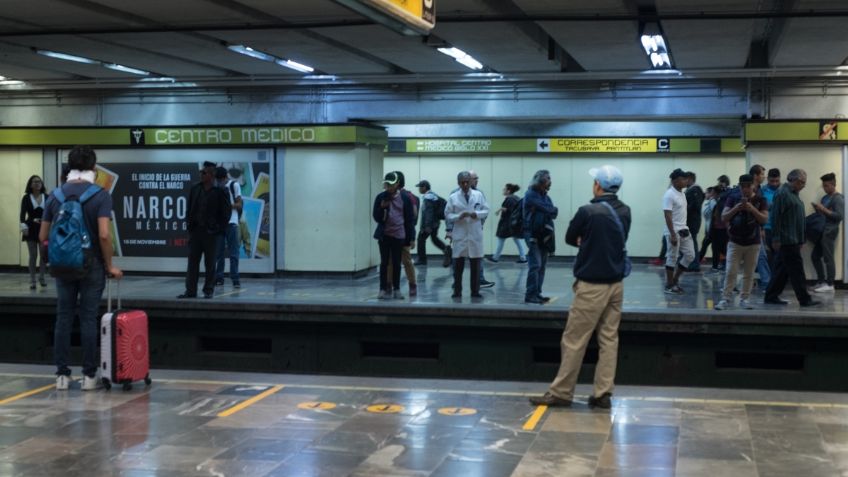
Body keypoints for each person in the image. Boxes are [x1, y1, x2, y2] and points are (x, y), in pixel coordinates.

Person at [529, 165, 629, 410]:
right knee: (609, 339)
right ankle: (603, 393)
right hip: (616, 284)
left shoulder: (587, 211)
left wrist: (585, 240)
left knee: (574, 339)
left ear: (598, 185)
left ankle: (562, 392)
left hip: (591, 285)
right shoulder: (625, 211)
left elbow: (569, 237)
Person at [39, 145, 123, 391]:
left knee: (63, 317)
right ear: (93, 168)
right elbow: (105, 235)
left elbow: (43, 234)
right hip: (91, 265)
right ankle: (89, 376)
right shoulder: (100, 195)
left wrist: (54, 257)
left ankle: (62, 376)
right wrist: (110, 266)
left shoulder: (55, 195)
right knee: (88, 318)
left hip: (62, 266)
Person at [764, 169, 819, 307]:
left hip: (793, 239)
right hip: (786, 239)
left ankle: (771, 295)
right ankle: (804, 299)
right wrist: (776, 238)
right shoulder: (783, 193)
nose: (804, 185)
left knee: (781, 271)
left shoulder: (794, 194)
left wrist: (801, 239)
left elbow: (796, 219)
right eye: (802, 182)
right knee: (797, 271)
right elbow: (775, 217)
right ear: (794, 180)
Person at [178, 161, 230, 299]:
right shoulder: (195, 188)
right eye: (201, 172)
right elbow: (189, 208)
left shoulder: (221, 190)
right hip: (196, 231)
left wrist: (218, 230)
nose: (201, 174)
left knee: (210, 263)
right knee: (192, 262)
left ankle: (208, 290)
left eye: (204, 172)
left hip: (211, 233)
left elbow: (226, 213)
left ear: (212, 175)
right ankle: (190, 291)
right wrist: (189, 225)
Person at [715, 174, 768, 310]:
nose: (745, 190)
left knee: (749, 273)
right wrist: (736, 208)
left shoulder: (760, 199)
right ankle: (725, 298)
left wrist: (752, 209)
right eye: (742, 187)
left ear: (753, 186)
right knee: (730, 271)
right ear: (739, 186)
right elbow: (724, 217)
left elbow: (764, 220)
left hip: (753, 242)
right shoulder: (732, 198)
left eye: (748, 186)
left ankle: (745, 299)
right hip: (735, 241)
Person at [445, 171, 489, 299]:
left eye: (467, 182)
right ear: (458, 183)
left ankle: (475, 291)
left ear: (470, 182)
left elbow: (486, 210)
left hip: (475, 233)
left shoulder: (479, 195)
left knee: (475, 264)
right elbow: (447, 214)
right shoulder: (453, 197)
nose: (465, 184)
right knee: (458, 265)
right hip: (460, 234)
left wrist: (477, 214)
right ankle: (457, 291)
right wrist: (458, 216)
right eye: (462, 182)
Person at [373, 171, 415, 299]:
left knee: (397, 263)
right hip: (384, 235)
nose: (389, 187)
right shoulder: (380, 197)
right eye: (386, 184)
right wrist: (382, 208)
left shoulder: (405, 198)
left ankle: (397, 289)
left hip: (399, 235)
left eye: (391, 184)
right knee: (384, 262)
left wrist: (411, 238)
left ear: (397, 184)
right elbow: (376, 217)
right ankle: (383, 289)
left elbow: (409, 220)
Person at [523, 171, 558, 304]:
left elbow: (553, 213)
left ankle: (537, 293)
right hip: (531, 233)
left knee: (542, 265)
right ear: (540, 180)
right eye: (547, 178)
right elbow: (550, 210)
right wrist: (550, 209)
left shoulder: (545, 196)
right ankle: (530, 294)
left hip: (543, 234)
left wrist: (550, 209)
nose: (550, 181)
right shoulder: (531, 194)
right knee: (535, 264)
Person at [662, 168, 695, 294]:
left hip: (683, 229)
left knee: (690, 255)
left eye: (686, 179)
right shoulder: (669, 194)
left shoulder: (682, 193)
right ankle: (669, 285)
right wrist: (672, 234)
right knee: (672, 257)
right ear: (675, 181)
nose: (686, 181)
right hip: (673, 231)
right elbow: (667, 215)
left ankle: (675, 279)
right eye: (683, 179)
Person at [810, 172, 844, 292]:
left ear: (833, 184)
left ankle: (830, 284)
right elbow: (823, 215)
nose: (824, 188)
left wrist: (823, 209)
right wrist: (818, 209)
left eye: (826, 186)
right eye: (823, 186)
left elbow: (839, 216)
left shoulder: (838, 198)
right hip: (821, 230)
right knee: (815, 256)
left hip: (830, 231)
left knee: (828, 258)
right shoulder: (825, 198)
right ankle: (821, 281)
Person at [214, 167, 243, 288]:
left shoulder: (234, 185)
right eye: (218, 180)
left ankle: (235, 278)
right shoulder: (216, 188)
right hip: (220, 224)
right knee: (219, 253)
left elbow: (239, 204)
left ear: (226, 177)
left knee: (233, 253)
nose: (220, 182)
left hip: (232, 223)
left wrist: (226, 206)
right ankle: (219, 277)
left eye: (222, 179)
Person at [20, 175, 49, 289]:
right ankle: (32, 279)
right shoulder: (26, 198)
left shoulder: (47, 196)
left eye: (39, 181)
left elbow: (51, 212)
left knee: (43, 254)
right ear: (30, 185)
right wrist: (23, 227)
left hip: (43, 227)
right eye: (34, 182)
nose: (37, 183)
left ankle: (42, 277)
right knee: (33, 255)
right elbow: (22, 214)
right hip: (30, 228)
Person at [489, 183, 526, 263]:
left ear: (508, 191)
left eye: (504, 189)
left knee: (501, 239)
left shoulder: (509, 199)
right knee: (517, 240)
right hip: (513, 224)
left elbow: (508, 209)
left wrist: (500, 209)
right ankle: (523, 258)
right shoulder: (516, 198)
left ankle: (495, 258)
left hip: (507, 224)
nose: (503, 190)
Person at [414, 180, 447, 266]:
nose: (419, 189)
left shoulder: (428, 197)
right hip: (435, 223)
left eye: (420, 187)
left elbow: (429, 212)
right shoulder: (433, 196)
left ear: (424, 187)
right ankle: (447, 250)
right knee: (434, 239)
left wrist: (427, 226)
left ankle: (422, 259)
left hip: (430, 224)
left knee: (421, 239)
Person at [684, 171, 705, 271]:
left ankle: (694, 264)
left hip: (693, 221)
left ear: (690, 179)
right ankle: (691, 263)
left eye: (685, 179)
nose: (684, 181)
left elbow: (695, 205)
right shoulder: (690, 190)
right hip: (690, 221)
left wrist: (683, 209)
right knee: (689, 242)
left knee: (692, 242)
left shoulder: (695, 189)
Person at [761, 168, 781, 266]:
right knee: (767, 257)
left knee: (779, 257)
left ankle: (777, 280)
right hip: (766, 228)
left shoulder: (784, 191)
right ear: (767, 179)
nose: (774, 184)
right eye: (772, 181)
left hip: (780, 229)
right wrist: (766, 206)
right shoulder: (762, 190)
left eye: (777, 181)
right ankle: (768, 280)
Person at [698, 186, 716, 263]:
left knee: (707, 244)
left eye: (706, 193)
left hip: (712, 229)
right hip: (709, 228)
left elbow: (715, 214)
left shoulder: (712, 202)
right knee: (707, 245)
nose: (705, 194)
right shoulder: (708, 202)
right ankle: (699, 259)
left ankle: (698, 260)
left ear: (710, 193)